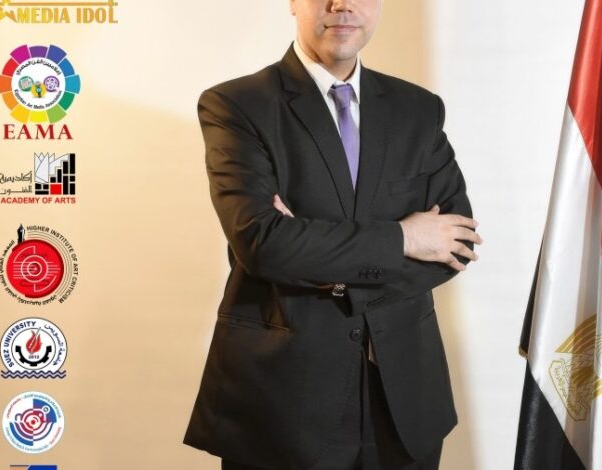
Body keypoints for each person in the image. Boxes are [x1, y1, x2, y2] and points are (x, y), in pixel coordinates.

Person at [183, 1, 482, 468]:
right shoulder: (237, 106)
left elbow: (455, 243)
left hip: (405, 403)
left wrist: (315, 257)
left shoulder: (419, 109)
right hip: (283, 404)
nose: (341, 4)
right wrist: (404, 238)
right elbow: (264, 244)